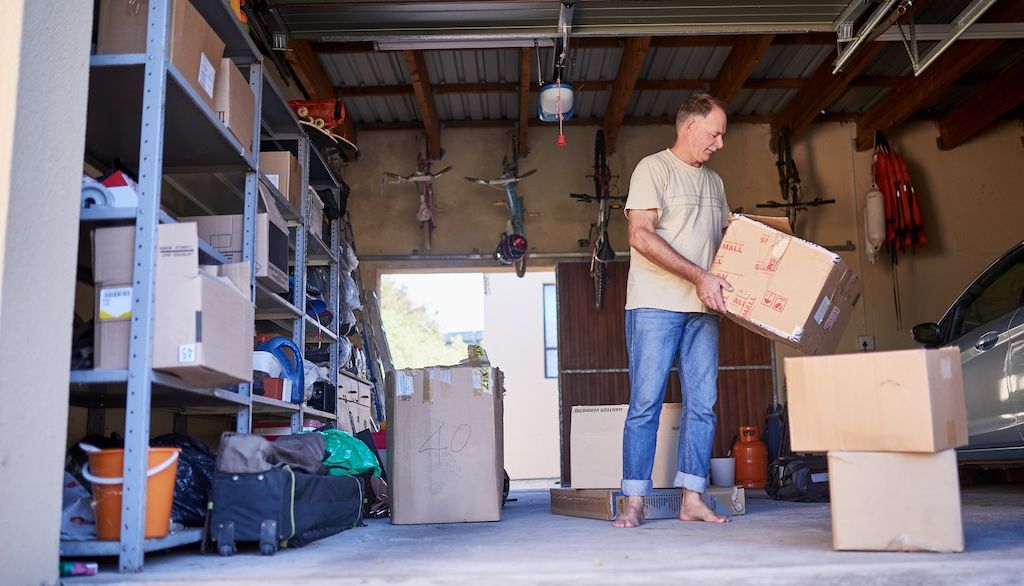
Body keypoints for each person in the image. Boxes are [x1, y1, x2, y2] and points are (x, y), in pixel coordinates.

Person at [613, 93, 733, 528]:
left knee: (703, 404)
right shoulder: (653, 169)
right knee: (646, 403)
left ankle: (692, 498)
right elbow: (640, 236)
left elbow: (724, 246)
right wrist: (699, 276)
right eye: (715, 133)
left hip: (704, 309)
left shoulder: (715, 183)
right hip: (655, 305)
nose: (719, 143)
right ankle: (635, 502)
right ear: (690, 127)